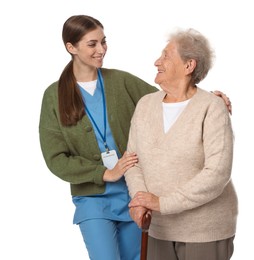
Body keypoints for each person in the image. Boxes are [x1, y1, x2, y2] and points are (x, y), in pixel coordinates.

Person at [39, 15, 232, 260]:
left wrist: (208, 97)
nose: (101, 50)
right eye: (92, 44)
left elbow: (171, 98)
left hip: (135, 193)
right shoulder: (53, 95)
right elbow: (55, 158)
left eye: (103, 41)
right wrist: (103, 173)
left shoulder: (120, 81)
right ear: (71, 47)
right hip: (93, 198)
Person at [125, 28, 238, 260]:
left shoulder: (211, 107)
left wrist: (162, 203)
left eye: (166, 56)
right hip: (159, 227)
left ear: (189, 66)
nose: (157, 61)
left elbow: (217, 173)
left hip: (204, 230)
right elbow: (133, 160)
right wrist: (141, 200)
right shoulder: (145, 105)